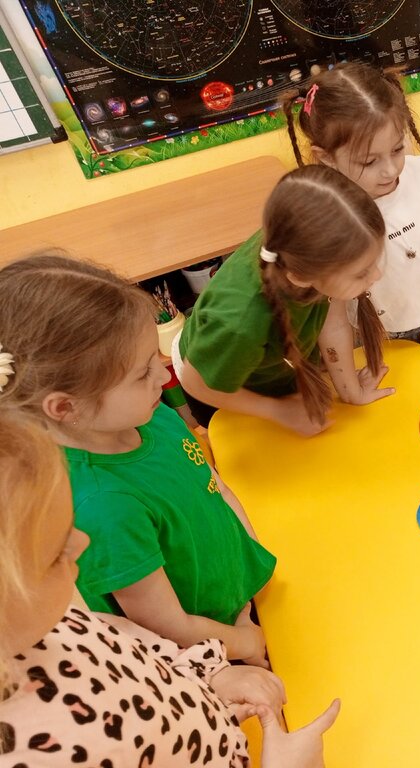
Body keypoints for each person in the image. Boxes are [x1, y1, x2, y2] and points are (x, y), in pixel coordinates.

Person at [0, 411, 339, 767]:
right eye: (56, 554)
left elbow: (128, 643)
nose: (83, 543)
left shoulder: (49, 621)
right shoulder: (37, 755)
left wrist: (213, 674)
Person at [0, 254, 275, 665]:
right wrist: (247, 643)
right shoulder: (102, 505)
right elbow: (170, 628)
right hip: (218, 650)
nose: (163, 377)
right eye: (143, 372)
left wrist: (253, 568)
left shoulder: (146, 414)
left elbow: (212, 485)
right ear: (65, 406)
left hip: (246, 606)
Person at [283, 62, 420, 358]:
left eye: (397, 149)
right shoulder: (332, 215)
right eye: (369, 161)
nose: (390, 170)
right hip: (379, 331)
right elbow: (333, 303)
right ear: (327, 157)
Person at [178, 165, 390, 432]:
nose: (377, 275)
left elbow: (333, 321)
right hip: (221, 387)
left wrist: (351, 391)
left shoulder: (307, 252)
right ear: (301, 277)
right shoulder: (241, 323)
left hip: (273, 370)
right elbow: (197, 382)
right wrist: (277, 411)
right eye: (361, 273)